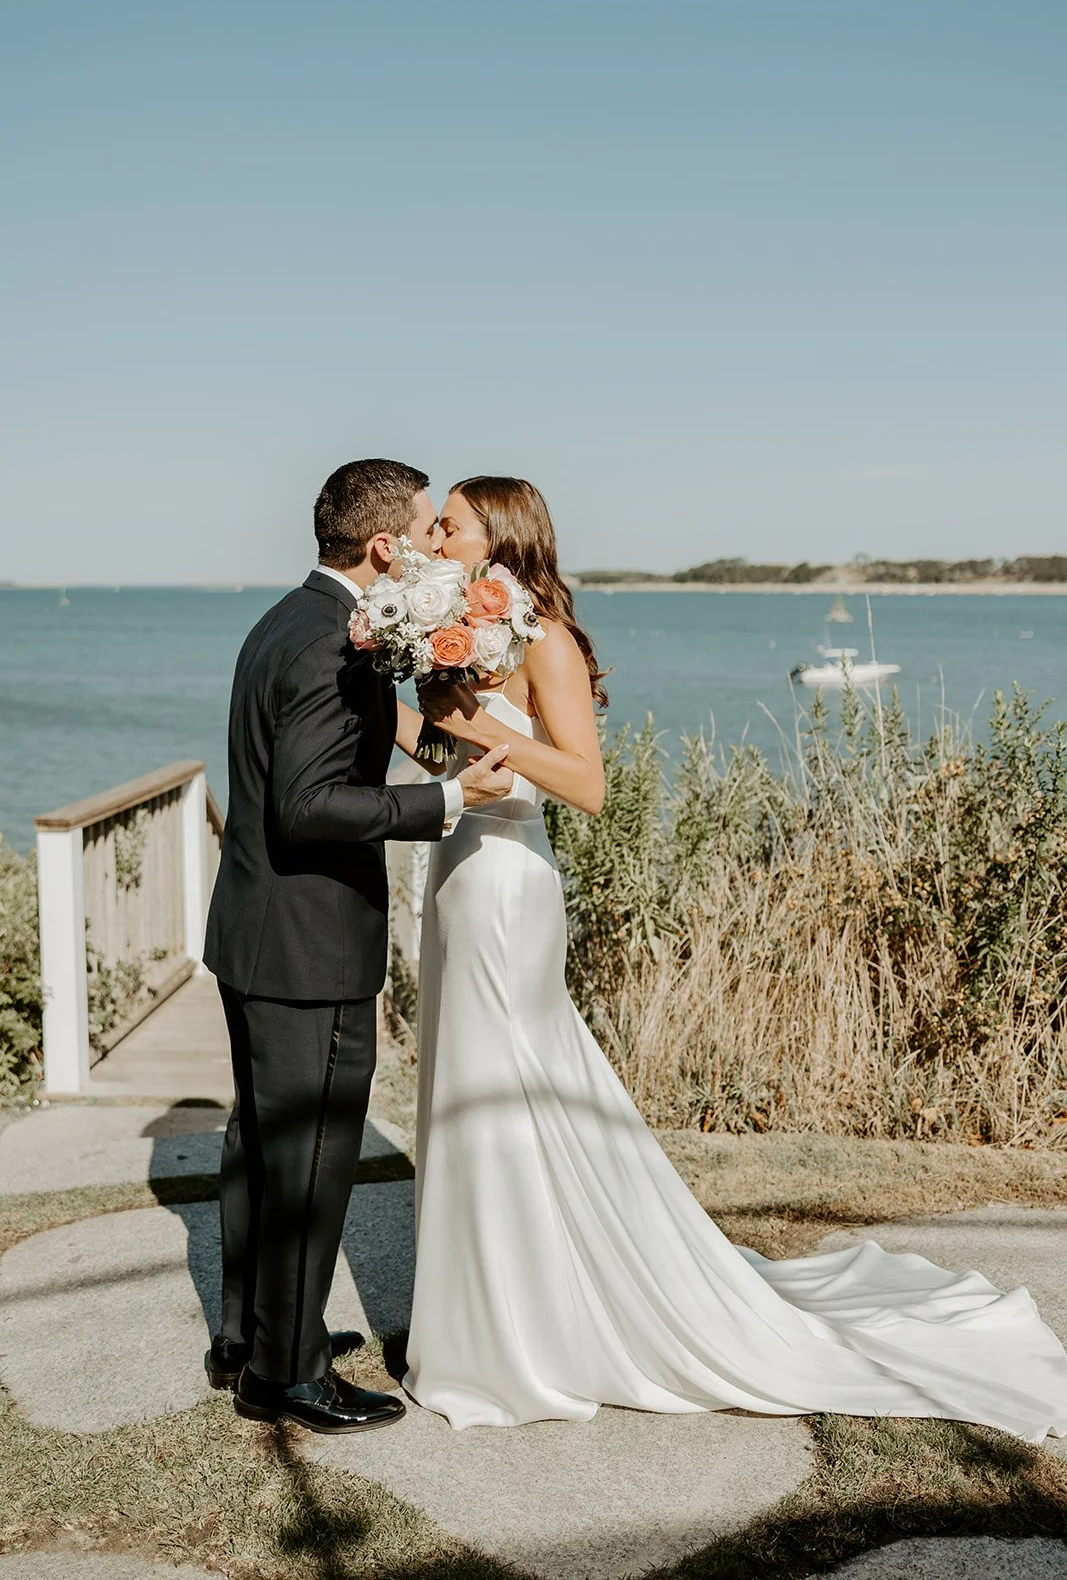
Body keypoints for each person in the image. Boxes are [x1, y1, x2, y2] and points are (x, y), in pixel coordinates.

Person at [405, 474, 1067, 1442]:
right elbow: (451, 762)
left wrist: (468, 725)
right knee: (472, 1086)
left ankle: (525, 1327)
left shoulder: (542, 636)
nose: (431, 536)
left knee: (514, 1083)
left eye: (448, 525)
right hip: (459, 864)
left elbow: (582, 783)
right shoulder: (450, 634)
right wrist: (407, 718)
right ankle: (496, 1306)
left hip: (510, 881)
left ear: (495, 540)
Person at [202, 458, 511, 1434]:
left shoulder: (289, 621)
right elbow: (307, 804)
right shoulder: (328, 645)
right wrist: (450, 800)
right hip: (308, 942)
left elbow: (331, 756)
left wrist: (438, 729)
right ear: (383, 547)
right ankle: (288, 1376)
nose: (432, 545)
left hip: (257, 929)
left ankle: (252, 1339)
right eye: (424, 532)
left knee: (261, 1148)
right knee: (311, 1157)